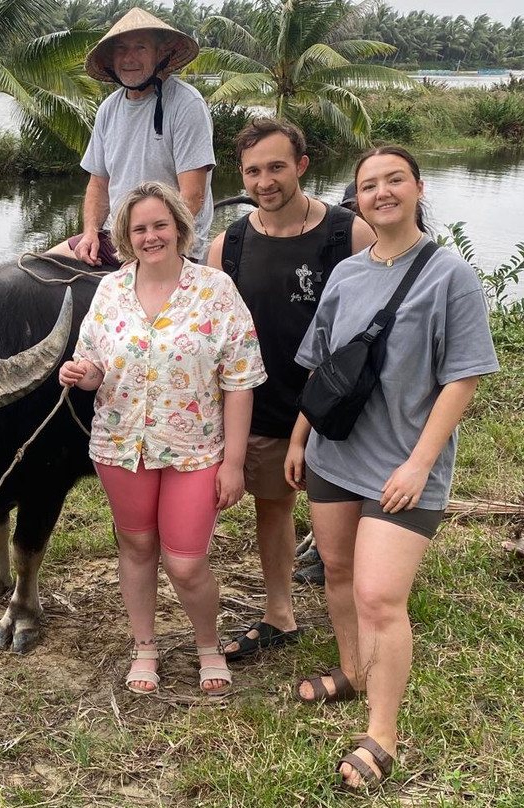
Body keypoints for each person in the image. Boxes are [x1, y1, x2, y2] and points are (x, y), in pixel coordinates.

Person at [285, 147, 499, 788]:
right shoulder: (348, 273)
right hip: (334, 454)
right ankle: (351, 672)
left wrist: (419, 464)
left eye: (394, 181)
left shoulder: (450, 275)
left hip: (402, 468)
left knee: (381, 596)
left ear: (417, 188)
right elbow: (326, 369)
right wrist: (299, 439)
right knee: (340, 572)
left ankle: (383, 733)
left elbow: (462, 379)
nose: (382, 193)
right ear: (358, 198)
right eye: (369, 185)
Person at [59, 182, 265, 696]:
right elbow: (95, 366)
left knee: (186, 561)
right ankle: (145, 646)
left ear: (178, 227)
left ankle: (208, 644)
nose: (151, 236)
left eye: (159, 225)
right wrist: (82, 375)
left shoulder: (215, 290)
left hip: (195, 451)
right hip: (120, 445)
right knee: (136, 544)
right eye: (139, 228)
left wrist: (234, 463)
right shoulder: (109, 291)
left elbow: (239, 380)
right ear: (126, 237)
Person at [203, 119, 375, 661]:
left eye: (276, 167)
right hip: (263, 407)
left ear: (301, 166)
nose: (265, 181)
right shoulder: (226, 246)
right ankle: (281, 612)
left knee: (353, 509)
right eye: (253, 171)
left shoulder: (348, 234)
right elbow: (210, 334)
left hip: (342, 408)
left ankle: (369, 606)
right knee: (272, 508)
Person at [47, 7, 215, 266]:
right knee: (42, 265)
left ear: (161, 53)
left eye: (140, 47)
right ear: (111, 59)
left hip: (173, 242)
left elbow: (192, 196)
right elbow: (98, 185)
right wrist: (91, 233)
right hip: (118, 238)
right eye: (122, 49)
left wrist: (147, 247)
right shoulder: (108, 109)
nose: (129, 58)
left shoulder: (186, 103)